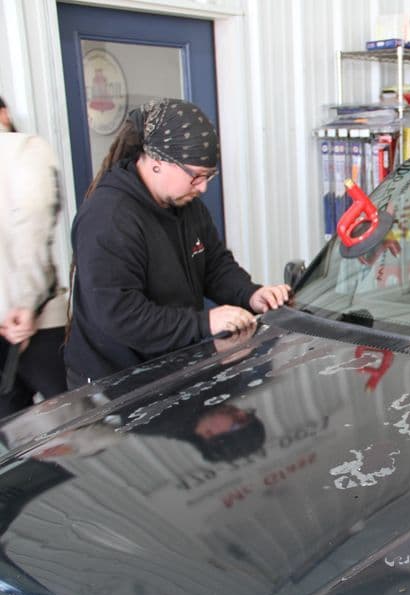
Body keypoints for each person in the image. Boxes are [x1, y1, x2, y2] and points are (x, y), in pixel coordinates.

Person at [65, 98, 290, 387]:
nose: (203, 187)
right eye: (196, 176)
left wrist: (250, 294)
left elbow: (214, 265)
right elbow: (121, 314)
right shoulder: (109, 218)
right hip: (113, 385)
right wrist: (204, 323)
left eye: (209, 176)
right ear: (158, 163)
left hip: (169, 365)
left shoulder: (186, 205)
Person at [0, 95, 69, 418]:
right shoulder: (24, 149)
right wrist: (25, 304)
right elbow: (34, 216)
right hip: (33, 321)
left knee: (9, 434)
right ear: (4, 114)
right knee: (74, 419)